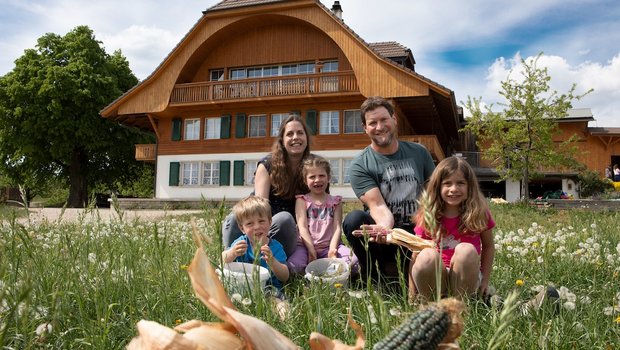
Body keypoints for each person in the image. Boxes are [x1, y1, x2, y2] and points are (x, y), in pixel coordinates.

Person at [344, 96, 436, 282]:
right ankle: (375, 277)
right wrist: (384, 229)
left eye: (384, 119)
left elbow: (434, 194)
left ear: (394, 119)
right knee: (354, 219)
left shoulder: (419, 152)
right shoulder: (360, 164)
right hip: (385, 236)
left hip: (418, 232)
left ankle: (411, 270)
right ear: (365, 128)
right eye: (372, 123)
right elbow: (377, 206)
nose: (379, 127)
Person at [222, 114, 311, 257]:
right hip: (261, 222)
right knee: (235, 218)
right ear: (282, 140)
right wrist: (261, 229)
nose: (295, 137)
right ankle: (232, 261)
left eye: (300, 133)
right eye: (290, 134)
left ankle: (276, 262)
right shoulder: (267, 165)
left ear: (306, 138)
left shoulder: (314, 168)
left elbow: (322, 205)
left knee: (285, 219)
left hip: (287, 230)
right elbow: (259, 206)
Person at [410, 156, 495, 300]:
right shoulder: (427, 214)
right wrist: (411, 292)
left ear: (470, 186)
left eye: (460, 183)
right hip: (435, 277)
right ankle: (433, 304)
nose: (454, 189)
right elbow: (415, 256)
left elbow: (488, 246)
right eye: (447, 183)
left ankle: (461, 306)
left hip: (466, 278)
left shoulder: (479, 212)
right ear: (438, 187)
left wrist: (485, 280)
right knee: (426, 255)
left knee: (466, 250)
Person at [287, 155, 358, 274]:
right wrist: (310, 249)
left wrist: (333, 249)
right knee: (294, 267)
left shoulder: (336, 202)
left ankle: (327, 269)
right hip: (305, 246)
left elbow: (337, 228)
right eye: (312, 177)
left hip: (328, 246)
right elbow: (302, 227)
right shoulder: (302, 200)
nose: (317, 180)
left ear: (328, 177)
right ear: (305, 180)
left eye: (321, 175)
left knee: (354, 262)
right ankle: (316, 271)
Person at [221, 196, 290, 318]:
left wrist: (273, 262)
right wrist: (232, 253)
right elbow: (222, 260)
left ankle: (286, 322)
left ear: (270, 222)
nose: (257, 226)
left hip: (268, 288)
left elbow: (285, 277)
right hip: (242, 288)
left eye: (261, 221)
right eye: (249, 223)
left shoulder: (275, 247)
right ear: (242, 228)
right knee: (225, 298)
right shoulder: (240, 243)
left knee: (278, 303)